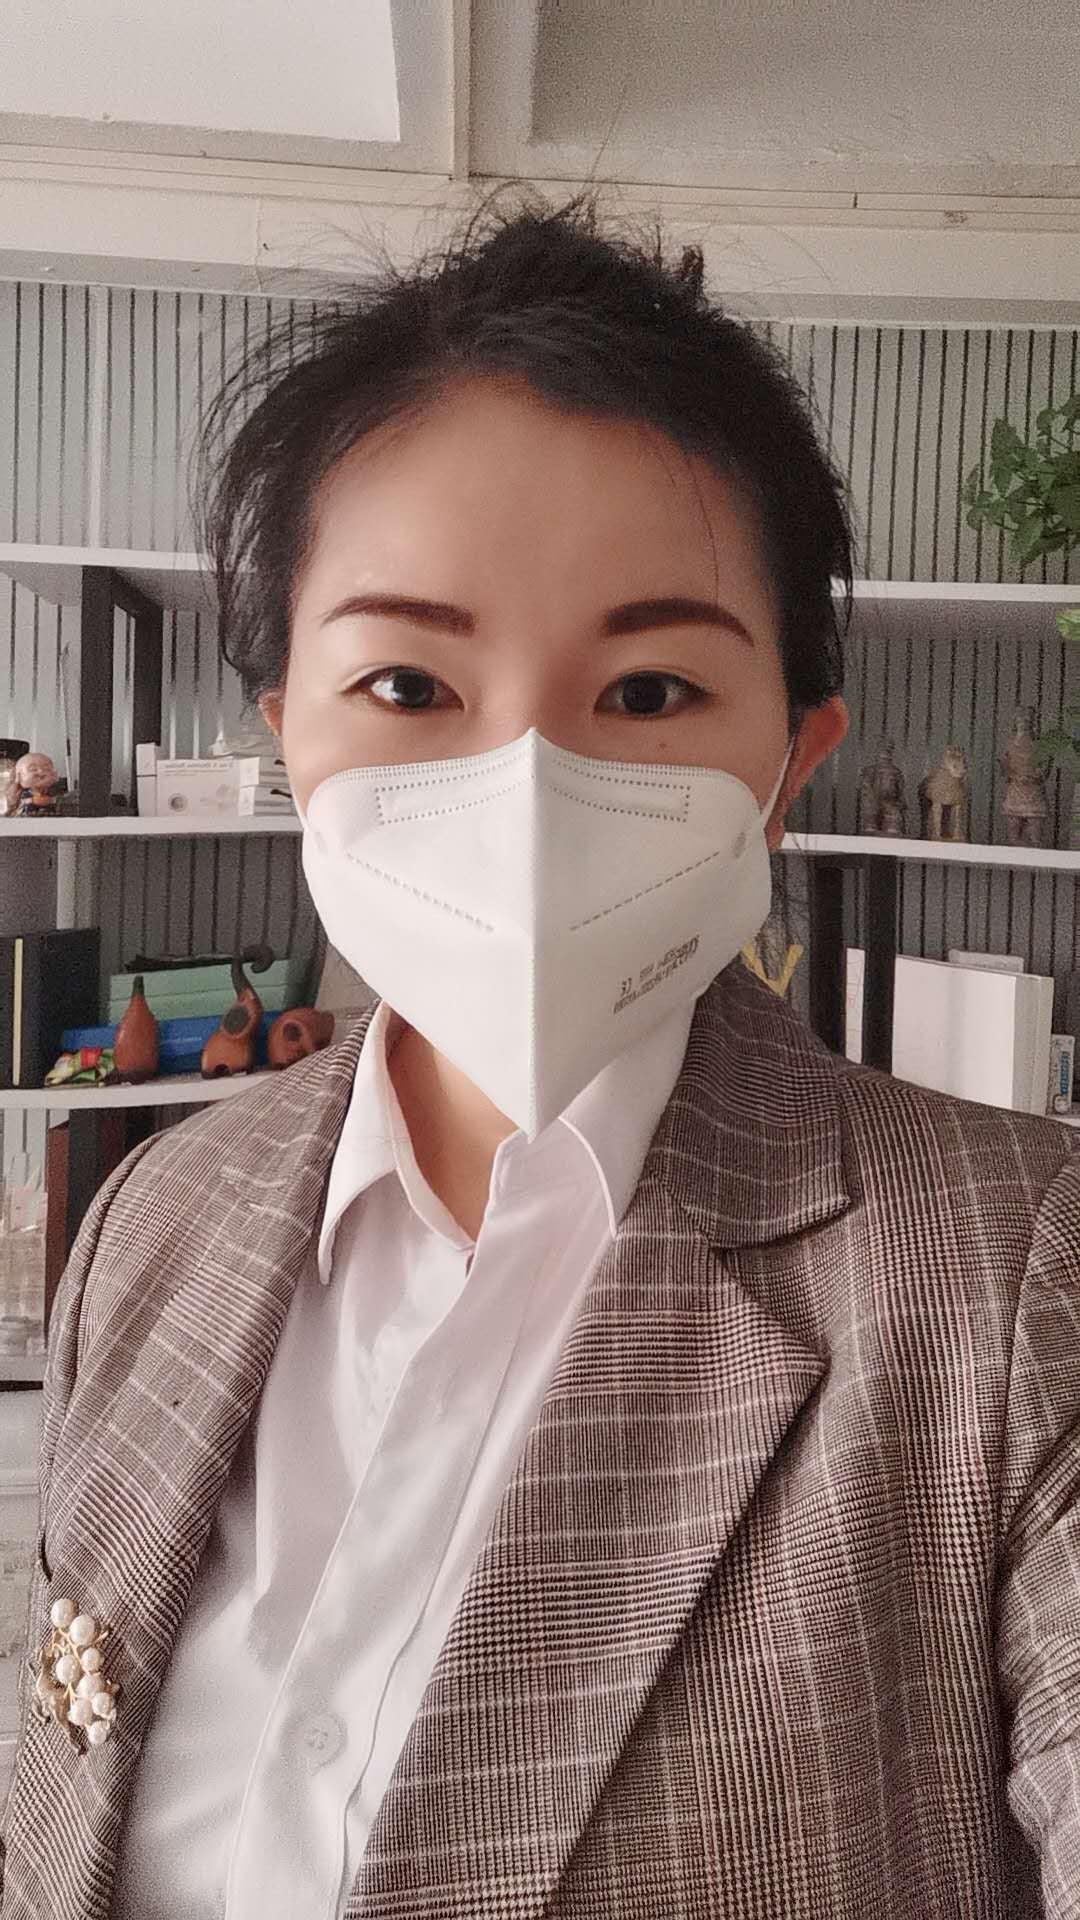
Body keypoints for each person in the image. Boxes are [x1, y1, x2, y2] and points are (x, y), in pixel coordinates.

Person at [3, 200, 1078, 1920]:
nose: (522, 793)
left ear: (788, 768)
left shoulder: (1018, 1276)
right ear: (285, 737)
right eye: (407, 685)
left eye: (647, 695)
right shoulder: (151, 1222)